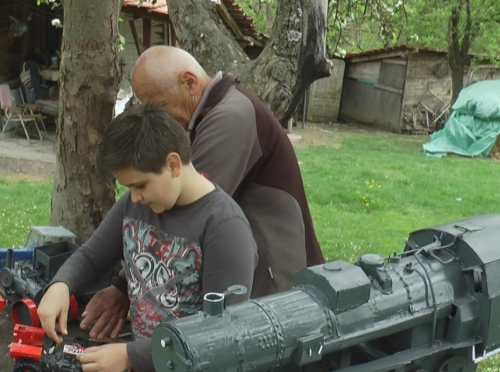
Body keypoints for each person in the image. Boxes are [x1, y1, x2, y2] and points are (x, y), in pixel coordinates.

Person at [36, 102, 256, 372]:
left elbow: (220, 335)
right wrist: (60, 284)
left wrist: (129, 355)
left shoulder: (224, 226)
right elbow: (91, 256)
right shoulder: (134, 206)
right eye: (128, 187)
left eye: (139, 184)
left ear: (173, 164)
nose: (134, 196)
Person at [79, 45, 326, 341]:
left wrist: (123, 288)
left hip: (277, 285)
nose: (155, 116)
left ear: (190, 83)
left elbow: (174, 213)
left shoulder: (229, 119)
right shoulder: (213, 111)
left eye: (157, 104)